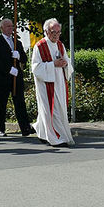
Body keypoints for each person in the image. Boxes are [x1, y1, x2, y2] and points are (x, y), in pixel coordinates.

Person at [31, 18, 73, 147]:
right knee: (51, 110)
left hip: (59, 82)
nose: (56, 35)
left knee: (59, 109)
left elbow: (67, 61)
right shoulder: (40, 46)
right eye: (53, 32)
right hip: (46, 84)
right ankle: (56, 138)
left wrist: (65, 64)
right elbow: (36, 68)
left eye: (58, 32)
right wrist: (53, 64)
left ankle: (42, 132)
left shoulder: (60, 45)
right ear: (46, 31)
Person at [0, 18, 34, 137]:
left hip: (16, 78)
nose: (11, 28)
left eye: (12, 26)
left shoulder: (16, 42)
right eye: (8, 26)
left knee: (20, 102)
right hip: (2, 77)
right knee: (2, 103)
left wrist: (18, 56)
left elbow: (24, 58)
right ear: (2, 28)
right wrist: (9, 69)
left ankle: (25, 128)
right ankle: (0, 128)